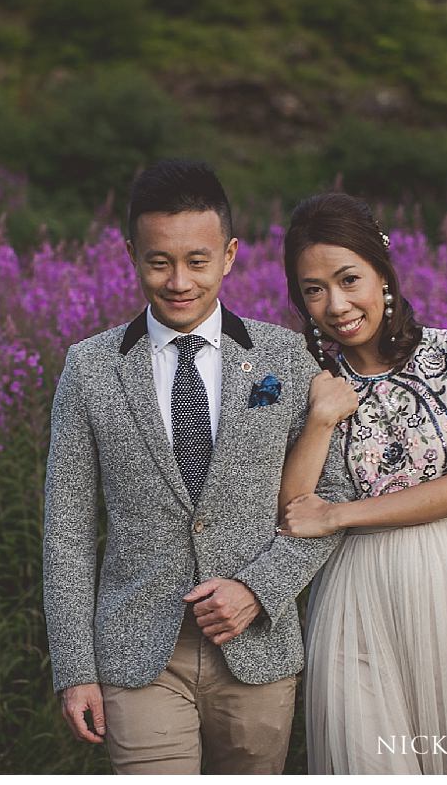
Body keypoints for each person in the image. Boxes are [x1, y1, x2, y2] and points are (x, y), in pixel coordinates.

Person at [42, 160, 354, 774]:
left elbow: (334, 497)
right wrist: (75, 669)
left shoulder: (283, 356)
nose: (179, 280)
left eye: (197, 260)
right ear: (132, 254)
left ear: (231, 254)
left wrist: (259, 590)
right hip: (135, 658)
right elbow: (67, 531)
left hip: (257, 648)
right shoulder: (90, 369)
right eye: (159, 262)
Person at [276, 192, 447, 774]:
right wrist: (322, 416)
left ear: (383, 274)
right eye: (313, 289)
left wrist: (339, 515)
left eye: (350, 279)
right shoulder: (307, 376)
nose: (336, 304)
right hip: (353, 594)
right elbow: (294, 508)